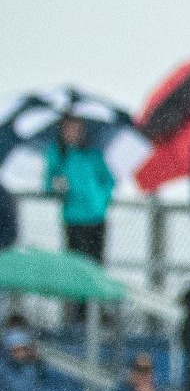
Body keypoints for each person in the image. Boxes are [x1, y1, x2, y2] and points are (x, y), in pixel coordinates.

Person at [43, 114, 117, 323]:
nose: (72, 133)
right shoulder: (57, 154)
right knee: (76, 264)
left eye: (75, 129)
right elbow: (49, 184)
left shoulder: (93, 154)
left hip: (95, 216)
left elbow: (109, 181)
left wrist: (101, 200)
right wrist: (58, 188)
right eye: (68, 129)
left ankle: (95, 308)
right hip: (73, 217)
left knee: (95, 263)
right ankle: (77, 312)